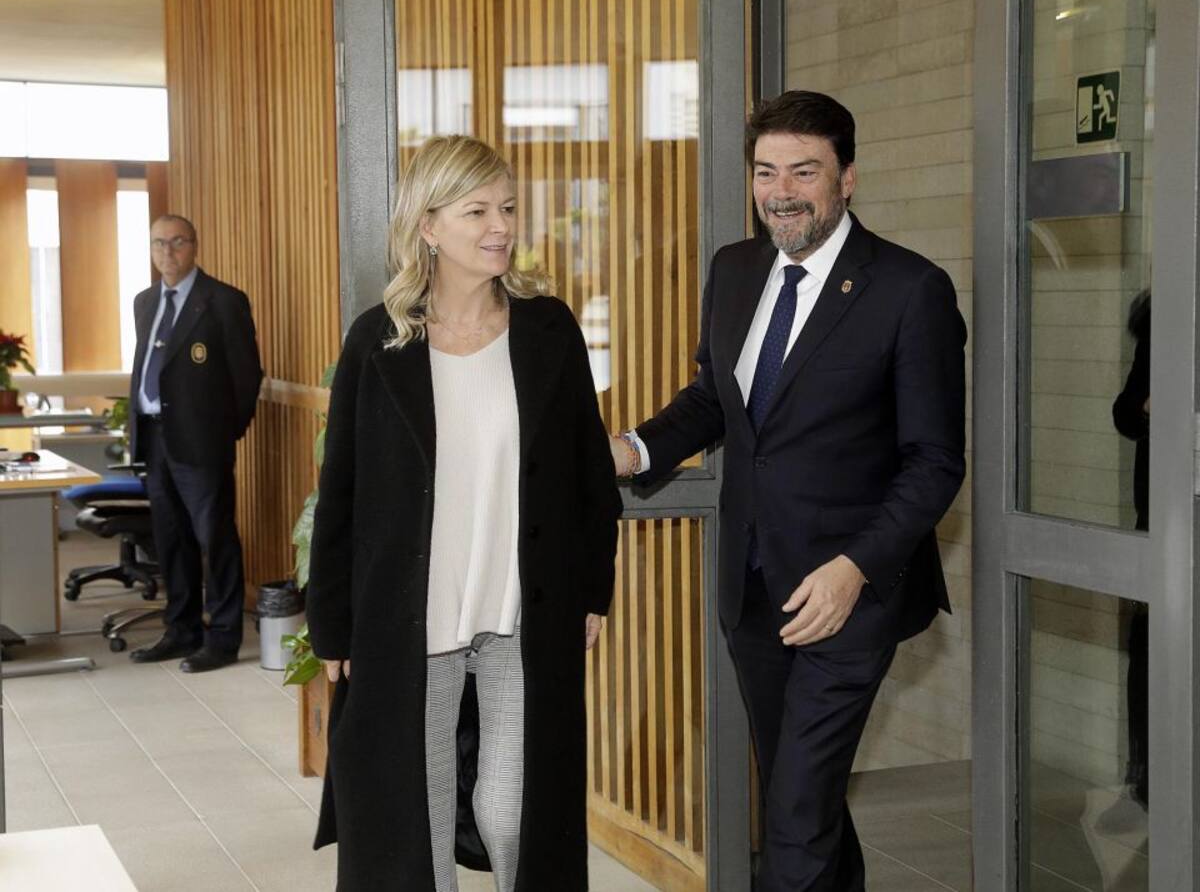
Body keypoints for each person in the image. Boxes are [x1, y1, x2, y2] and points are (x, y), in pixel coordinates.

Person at [611, 91, 967, 891]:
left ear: (847, 178)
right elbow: (715, 400)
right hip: (753, 588)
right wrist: (631, 450)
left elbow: (935, 461)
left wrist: (855, 568)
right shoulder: (735, 270)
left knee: (797, 815)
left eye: (804, 171)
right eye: (766, 172)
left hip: (849, 595)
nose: (781, 192)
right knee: (799, 795)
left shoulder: (910, 289)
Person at [306, 135, 621, 892]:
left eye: (507, 207)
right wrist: (332, 625)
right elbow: (341, 491)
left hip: (522, 616)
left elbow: (587, 472)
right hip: (411, 622)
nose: (501, 226)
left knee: (516, 817)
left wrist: (592, 588)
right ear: (428, 225)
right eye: (477, 210)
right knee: (414, 827)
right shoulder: (378, 342)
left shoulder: (548, 329)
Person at [128, 215, 262, 673]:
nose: (167, 252)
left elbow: (246, 377)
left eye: (177, 242)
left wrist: (224, 433)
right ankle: (181, 629)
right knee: (171, 540)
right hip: (155, 438)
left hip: (203, 443)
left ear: (194, 246)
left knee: (214, 539)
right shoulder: (145, 302)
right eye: (158, 243)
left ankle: (222, 637)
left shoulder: (223, 301)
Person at [1112, 290, 1150, 810]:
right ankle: (1146, 780)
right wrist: (1144, 406)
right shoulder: (1162, 323)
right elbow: (1124, 413)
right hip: (1160, 519)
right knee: (1147, 652)